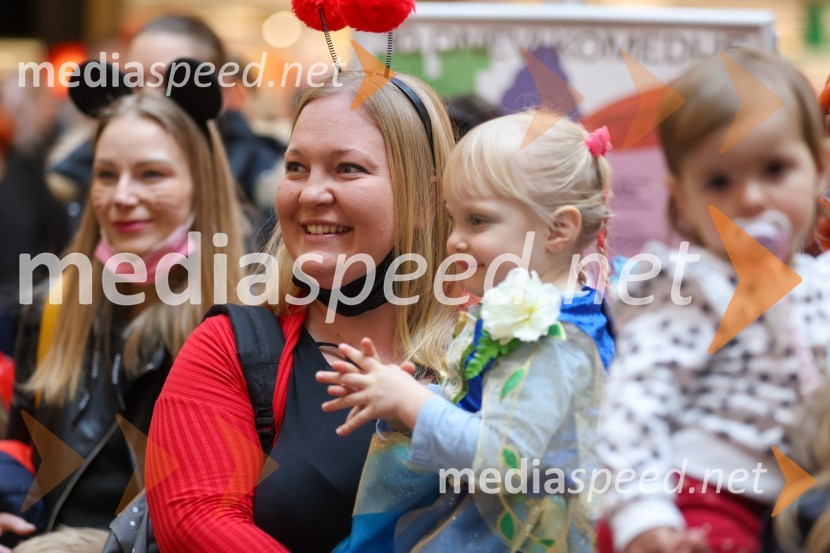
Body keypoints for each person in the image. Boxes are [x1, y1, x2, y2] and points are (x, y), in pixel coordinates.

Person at [145, 70, 458, 552]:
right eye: (296, 167)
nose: (310, 193)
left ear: (427, 200)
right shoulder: (232, 347)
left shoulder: (490, 343)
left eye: (347, 168)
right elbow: (193, 519)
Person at [317, 111, 615, 552]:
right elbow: (487, 413)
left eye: (477, 221)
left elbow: (505, 459)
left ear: (558, 229)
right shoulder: (531, 314)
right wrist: (402, 395)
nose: (454, 239)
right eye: (452, 219)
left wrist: (413, 402)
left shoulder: (556, 341)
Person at [0, 67, 246, 549]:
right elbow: (19, 446)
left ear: (202, 184)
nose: (122, 197)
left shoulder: (242, 322)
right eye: (106, 174)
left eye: (151, 174)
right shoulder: (52, 308)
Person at [597, 47, 830, 553]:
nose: (750, 199)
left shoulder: (821, 282)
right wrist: (645, 517)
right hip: (706, 491)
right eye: (719, 181)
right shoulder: (689, 289)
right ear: (681, 200)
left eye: (774, 170)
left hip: (804, 491)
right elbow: (634, 408)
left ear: (818, 169)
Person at [50, 14, 285, 239]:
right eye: (135, 80)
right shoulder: (81, 174)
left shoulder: (268, 184)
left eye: (170, 81)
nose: (149, 95)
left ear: (219, 92)